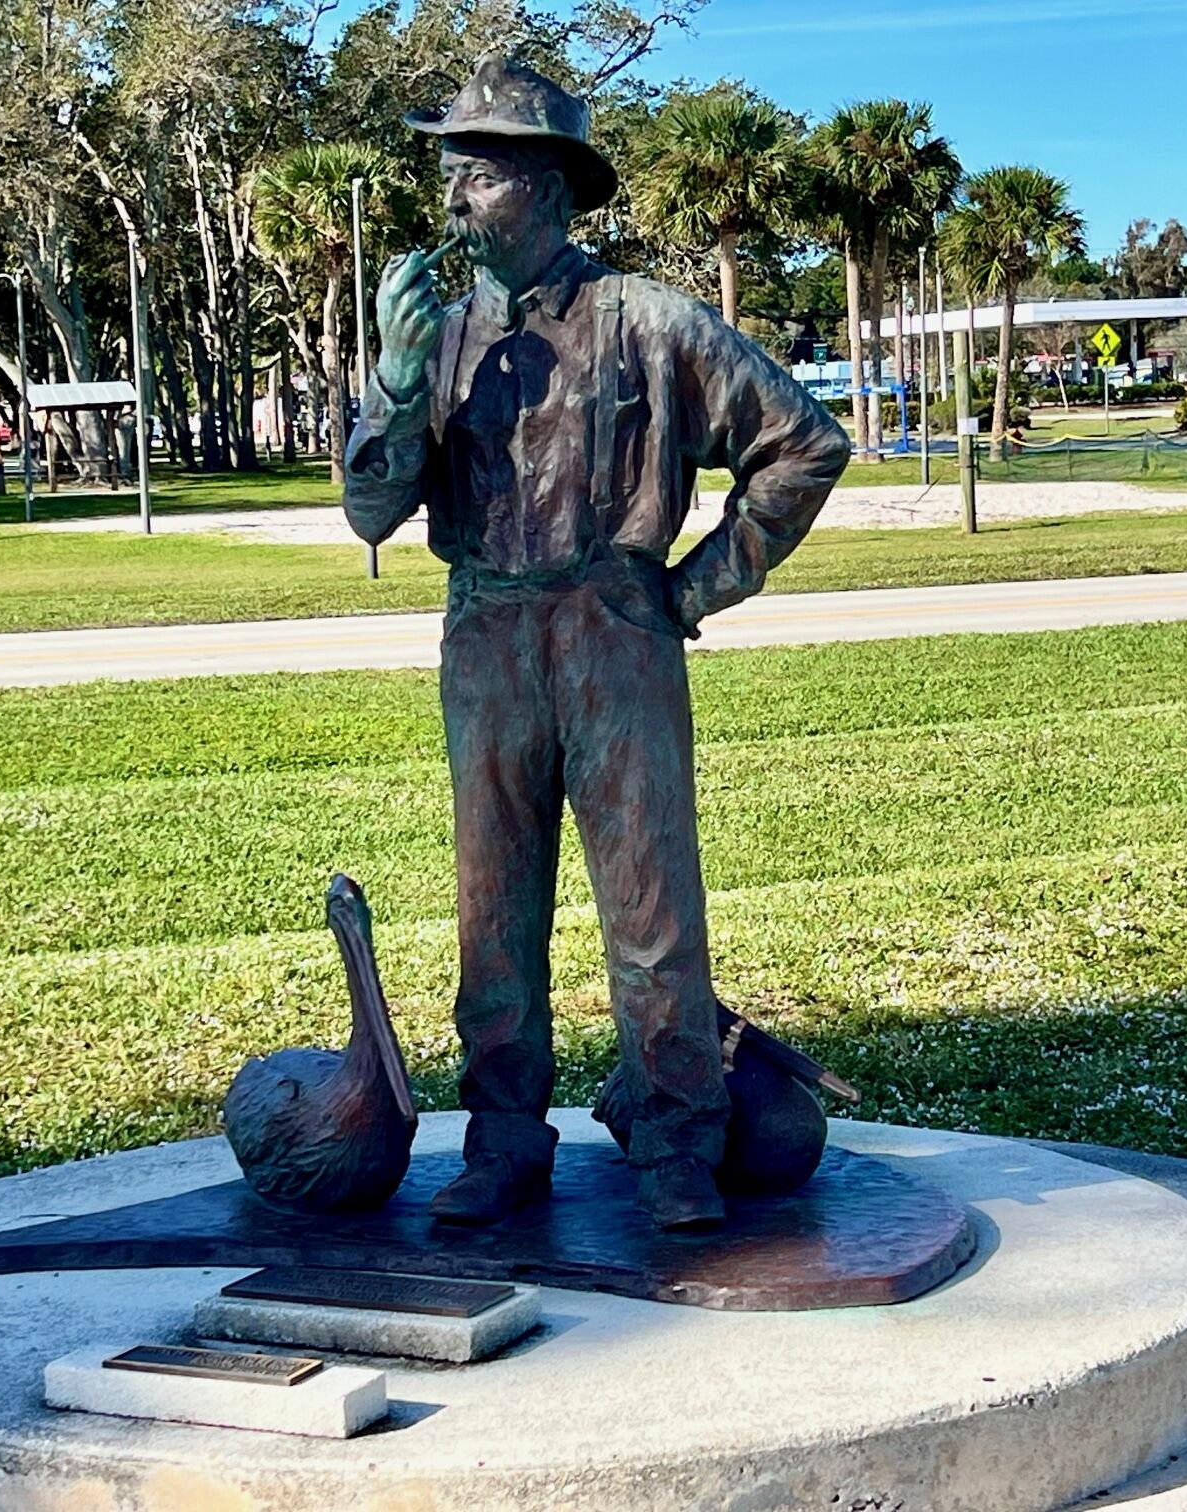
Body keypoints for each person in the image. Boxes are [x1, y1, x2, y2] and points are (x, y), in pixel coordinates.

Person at [344, 56, 849, 1231]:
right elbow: (371, 511)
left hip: (615, 630)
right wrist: (395, 379)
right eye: (452, 175)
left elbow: (804, 444)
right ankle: (504, 1144)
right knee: (493, 908)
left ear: (550, 189)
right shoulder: (438, 337)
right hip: (486, 633)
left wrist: (692, 589)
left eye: (480, 175)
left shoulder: (652, 323)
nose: (456, 199)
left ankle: (677, 1142)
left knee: (651, 906)